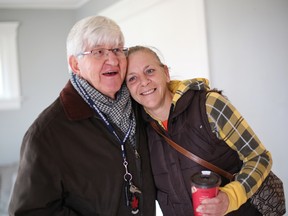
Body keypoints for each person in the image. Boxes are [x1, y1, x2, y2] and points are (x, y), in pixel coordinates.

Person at [8, 17, 156, 216]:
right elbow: (29, 212)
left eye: (117, 50)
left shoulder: (141, 104)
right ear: (75, 64)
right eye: (98, 52)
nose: (112, 60)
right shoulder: (46, 134)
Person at [125, 45, 272, 216]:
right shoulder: (137, 131)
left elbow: (259, 157)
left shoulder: (209, 105)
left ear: (165, 73)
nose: (144, 82)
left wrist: (229, 198)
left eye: (149, 71)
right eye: (132, 78)